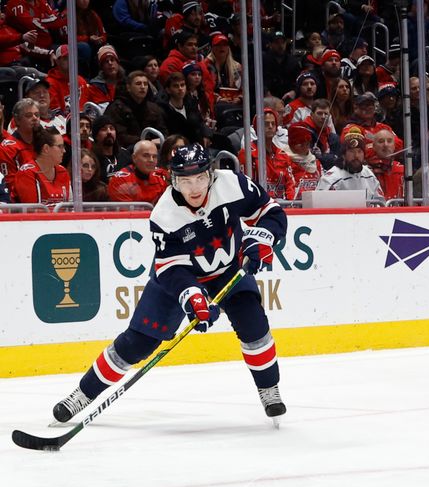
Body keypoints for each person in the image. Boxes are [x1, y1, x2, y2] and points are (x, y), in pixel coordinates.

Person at [52, 144, 289, 426]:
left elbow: (269, 211)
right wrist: (192, 296)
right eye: (185, 181)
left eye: (200, 178)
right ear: (173, 180)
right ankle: (83, 393)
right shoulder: (164, 215)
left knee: (254, 325)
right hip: (179, 277)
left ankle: (268, 389)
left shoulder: (232, 184)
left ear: (210, 174)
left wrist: (263, 237)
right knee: (137, 343)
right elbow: (170, 268)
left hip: (228, 271)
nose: (194, 188)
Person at [316, 126, 385, 202]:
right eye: (351, 151)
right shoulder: (331, 178)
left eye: (359, 151)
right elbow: (320, 205)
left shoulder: (369, 175)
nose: (356, 156)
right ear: (343, 155)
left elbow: (380, 203)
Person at [15, 126, 71, 206]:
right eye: (60, 146)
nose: (64, 151)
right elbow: (32, 212)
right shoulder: (27, 173)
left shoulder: (63, 171)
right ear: (46, 149)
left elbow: (70, 206)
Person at [107, 140, 168, 204]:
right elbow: (128, 213)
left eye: (154, 156)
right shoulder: (120, 181)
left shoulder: (161, 176)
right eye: (146, 155)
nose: (151, 160)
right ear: (134, 158)